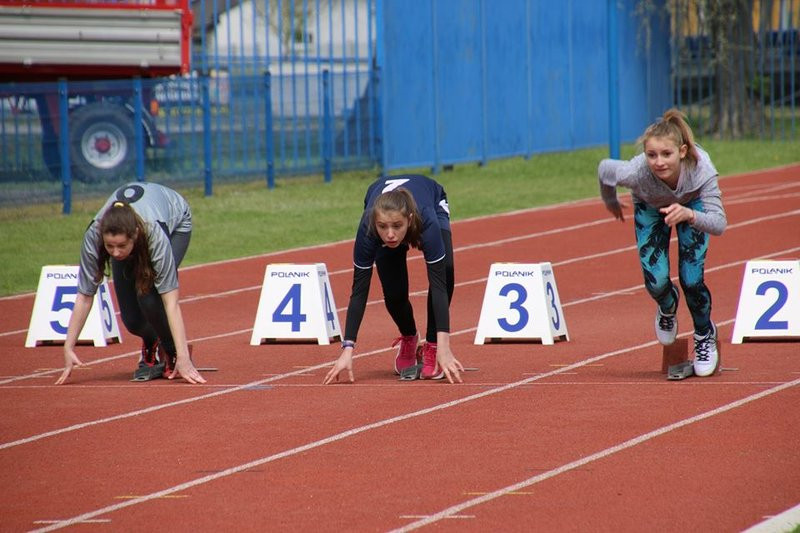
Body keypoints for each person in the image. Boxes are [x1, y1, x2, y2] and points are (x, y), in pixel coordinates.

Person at [598, 108, 727, 377]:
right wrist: (610, 199)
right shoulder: (636, 172)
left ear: (682, 151)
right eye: (652, 155)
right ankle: (668, 306)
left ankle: (704, 333)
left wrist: (689, 214)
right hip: (649, 204)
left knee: (691, 279)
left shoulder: (701, 169)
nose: (658, 162)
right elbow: (605, 169)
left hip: (691, 205)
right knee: (656, 282)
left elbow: (719, 224)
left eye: (666, 154)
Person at [55, 182, 206, 385]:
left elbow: (171, 302)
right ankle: (151, 340)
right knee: (132, 321)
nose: (116, 253)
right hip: (133, 231)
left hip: (175, 223)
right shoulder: (93, 235)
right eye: (109, 246)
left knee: (148, 295)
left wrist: (183, 356)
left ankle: (170, 352)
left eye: (121, 246)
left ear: (134, 235)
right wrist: (68, 347)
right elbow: (84, 296)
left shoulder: (154, 234)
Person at [323, 174, 464, 385]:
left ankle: (432, 345)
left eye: (397, 226)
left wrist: (443, 347)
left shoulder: (426, 220)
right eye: (383, 227)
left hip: (432, 202)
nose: (390, 234)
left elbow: (438, 285)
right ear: (375, 222)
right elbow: (359, 290)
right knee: (393, 292)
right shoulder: (369, 229)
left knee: (445, 269)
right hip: (382, 207)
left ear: (409, 219)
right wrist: (347, 349)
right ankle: (409, 336)